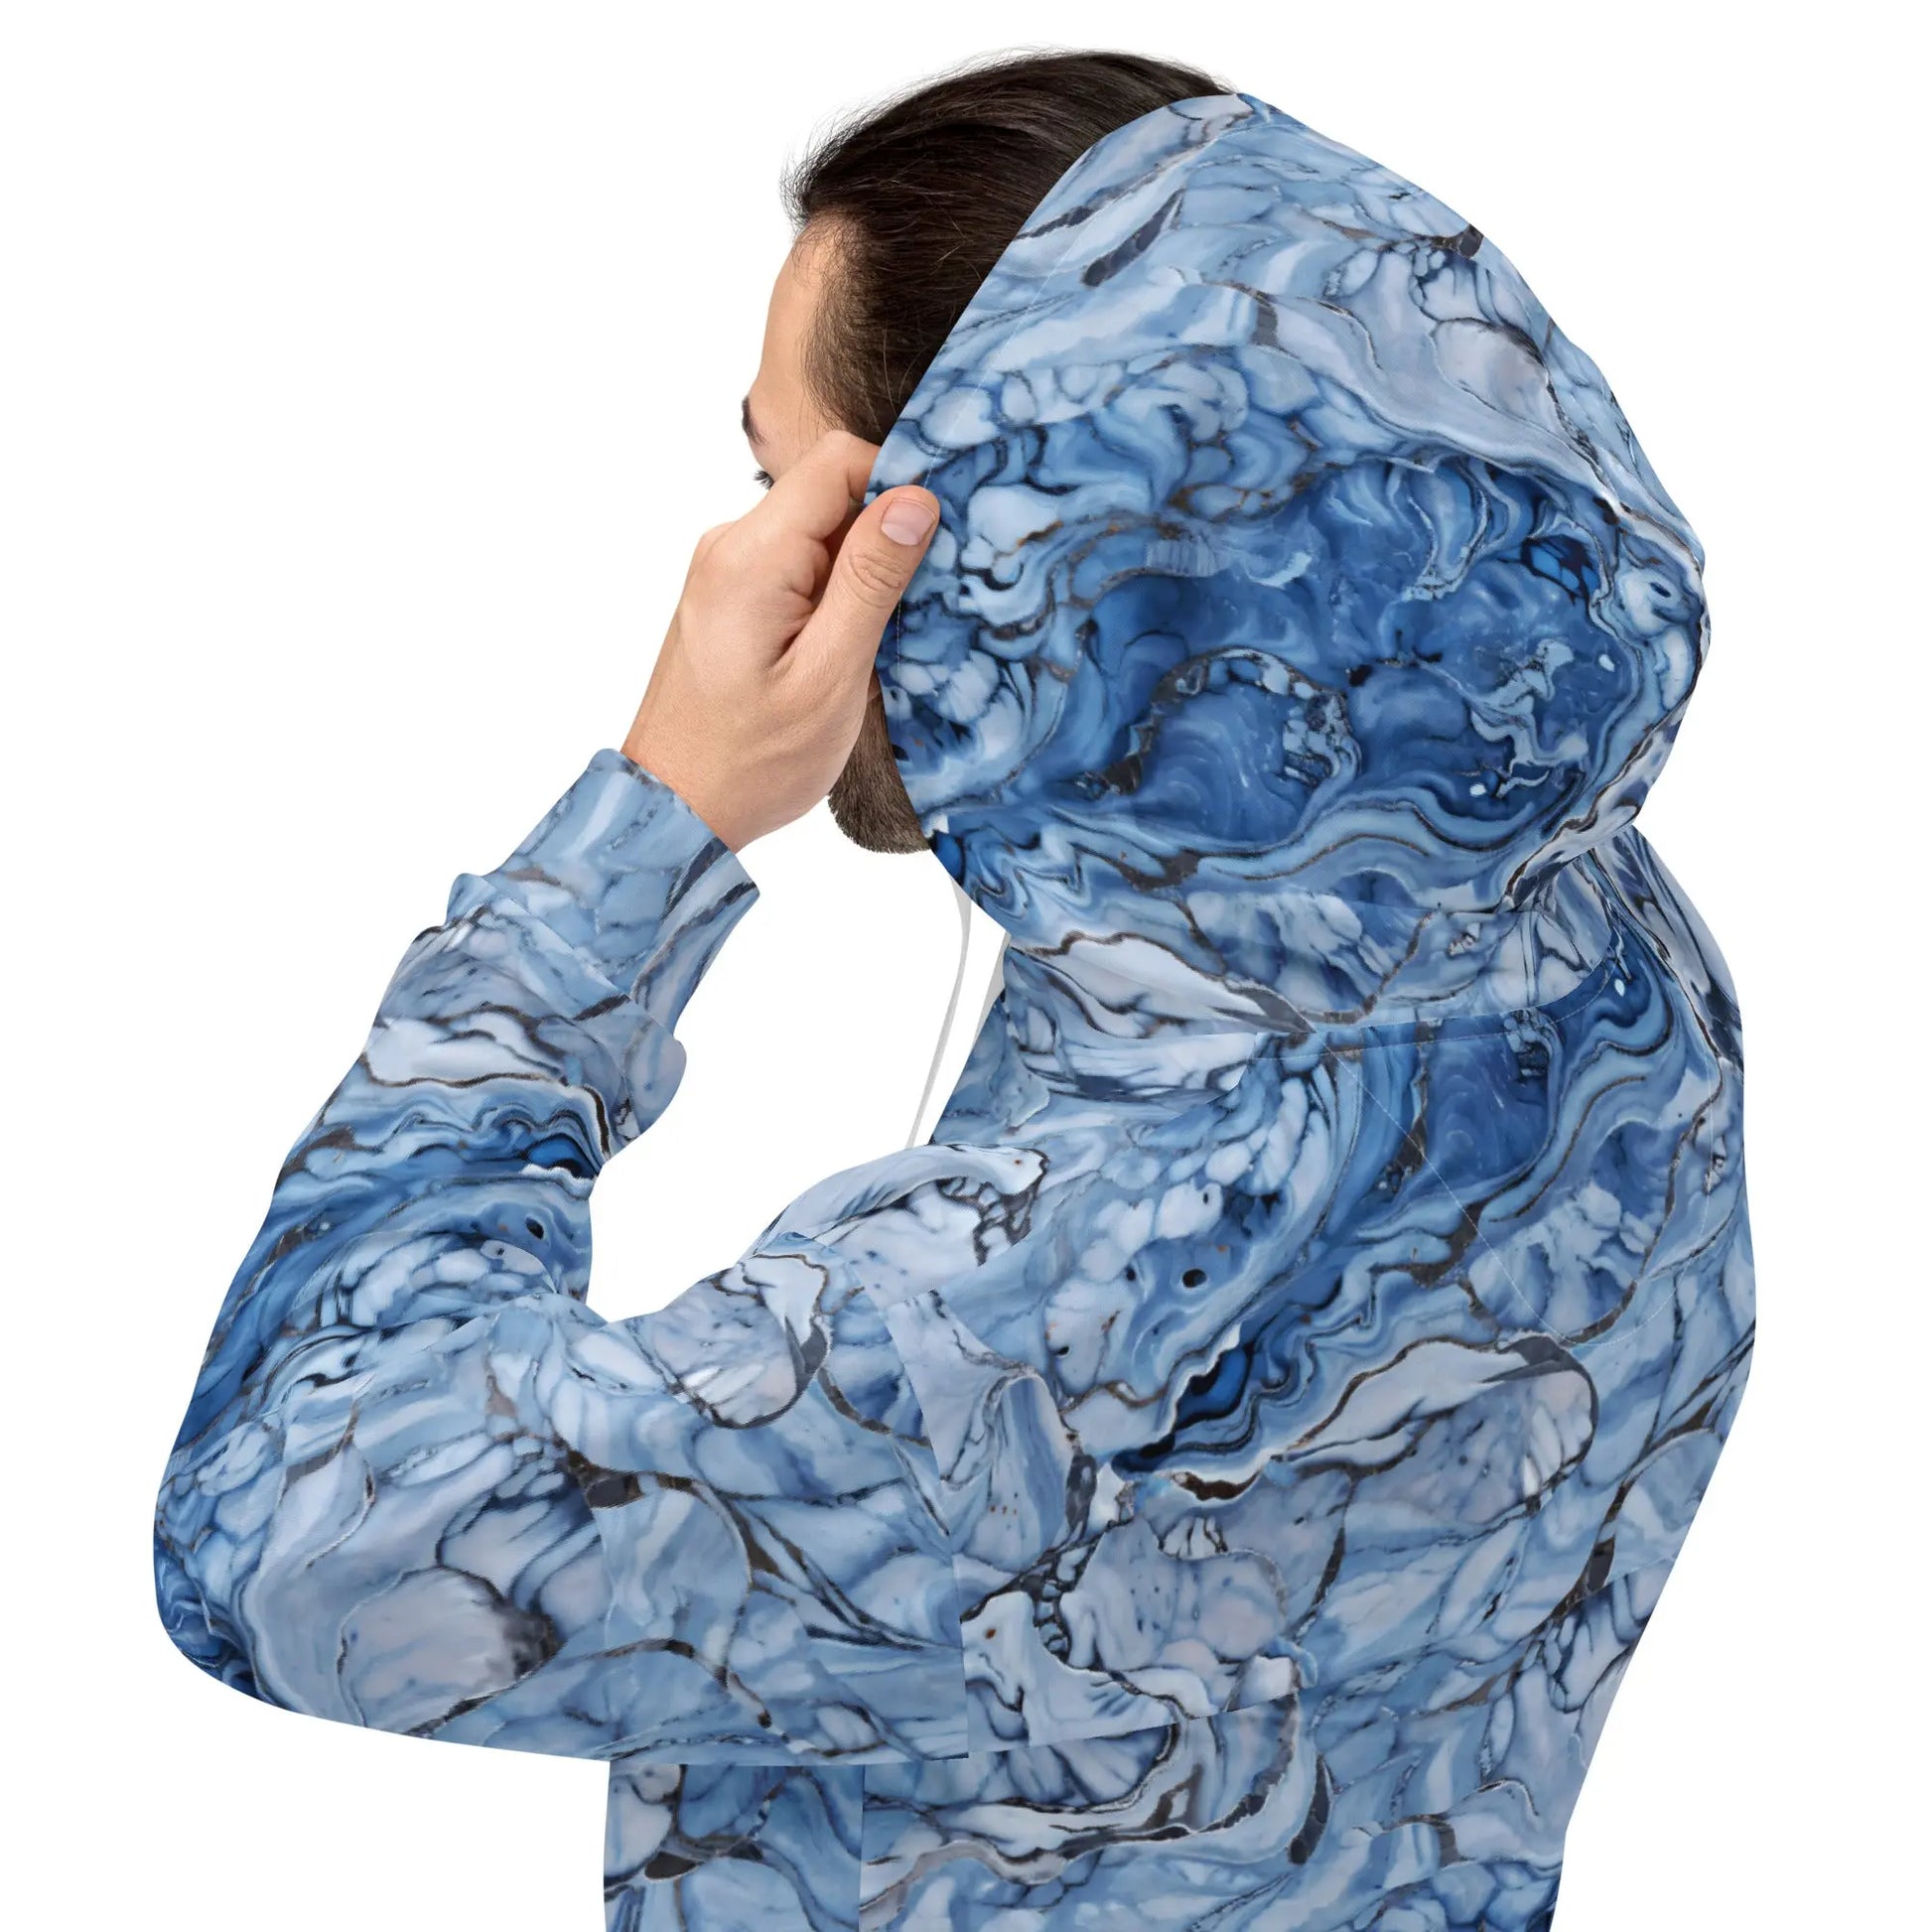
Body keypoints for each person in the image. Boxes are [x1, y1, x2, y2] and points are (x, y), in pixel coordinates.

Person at [153, 51, 1755, 1932]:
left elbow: (278, 1533)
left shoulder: (1034, 1310)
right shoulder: (1593, 957)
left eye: (792, 487)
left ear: (1001, 550)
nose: (748, 559)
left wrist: (651, 822)